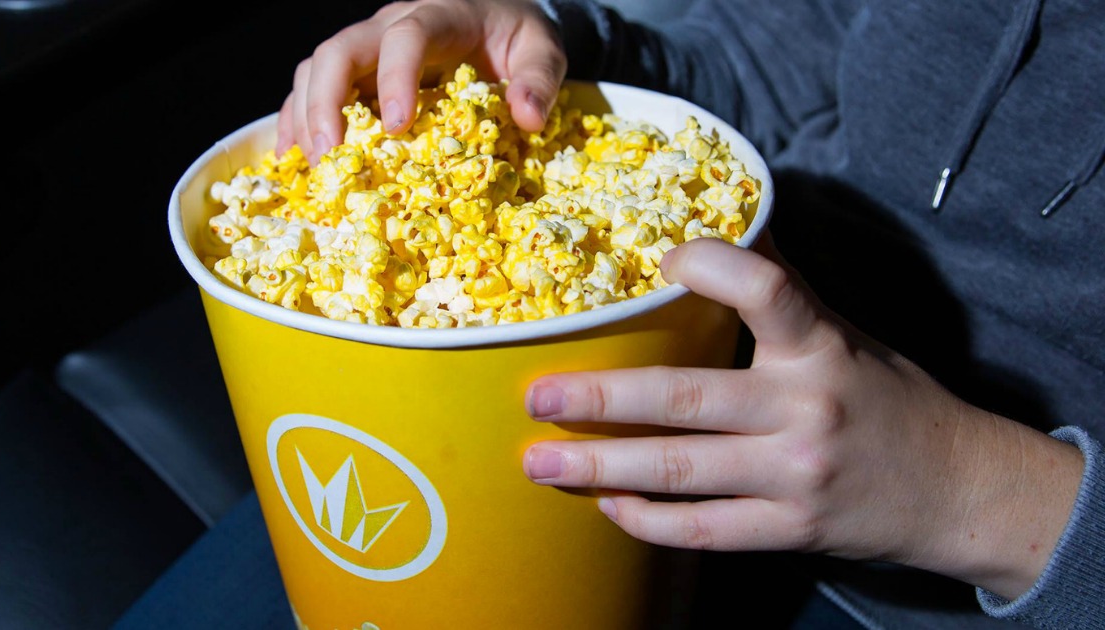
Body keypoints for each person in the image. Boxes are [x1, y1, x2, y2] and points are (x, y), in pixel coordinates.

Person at [266, 0, 1105, 627]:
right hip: (595, 400)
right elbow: (760, 64)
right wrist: (539, 44)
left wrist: (972, 490)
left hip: (940, 591)